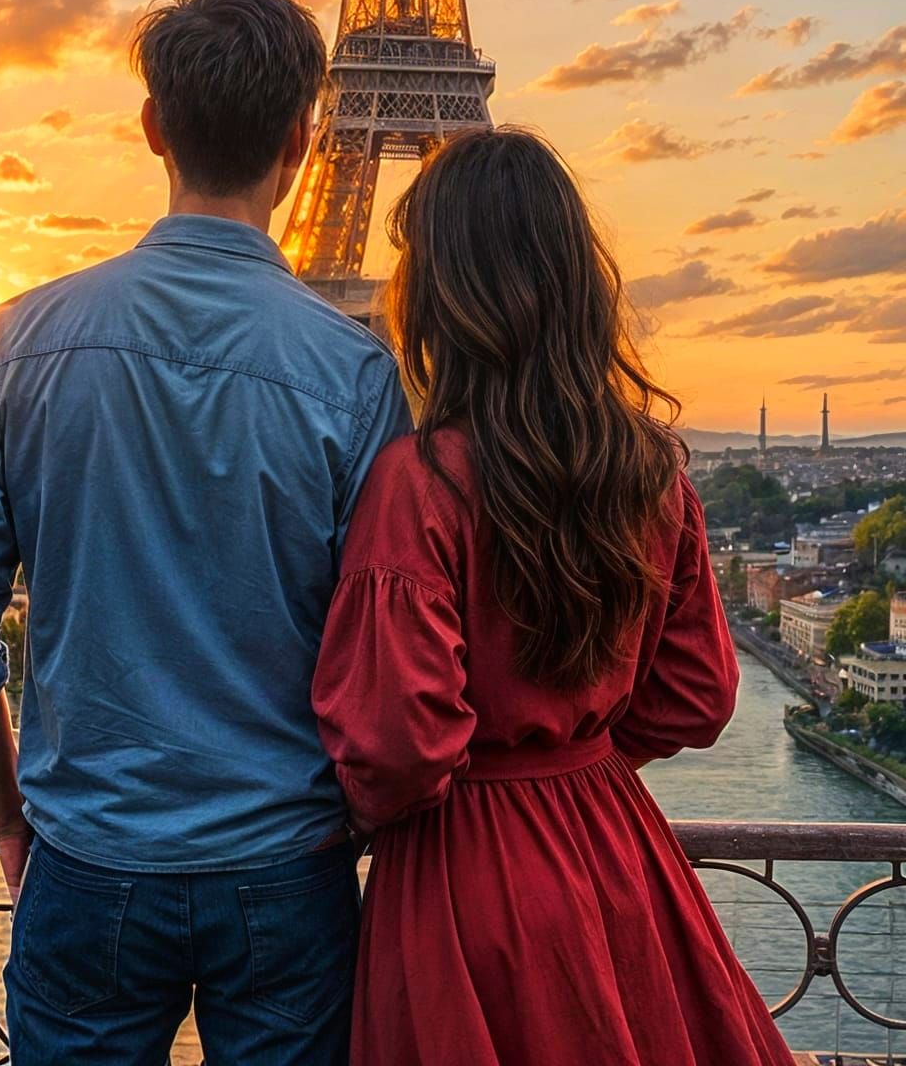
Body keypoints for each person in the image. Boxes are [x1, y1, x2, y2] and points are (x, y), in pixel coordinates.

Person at [0, 0, 411, 1066]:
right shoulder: (356, 373)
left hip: (87, 855)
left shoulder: (15, 343)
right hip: (288, 860)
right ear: (303, 140)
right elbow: (385, 650)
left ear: (151, 127)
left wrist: (11, 820)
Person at [313, 126, 795, 1066]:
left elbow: (397, 745)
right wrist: (577, 759)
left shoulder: (418, 483)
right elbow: (699, 695)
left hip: (464, 871)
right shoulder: (652, 472)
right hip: (616, 847)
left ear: (439, 296)